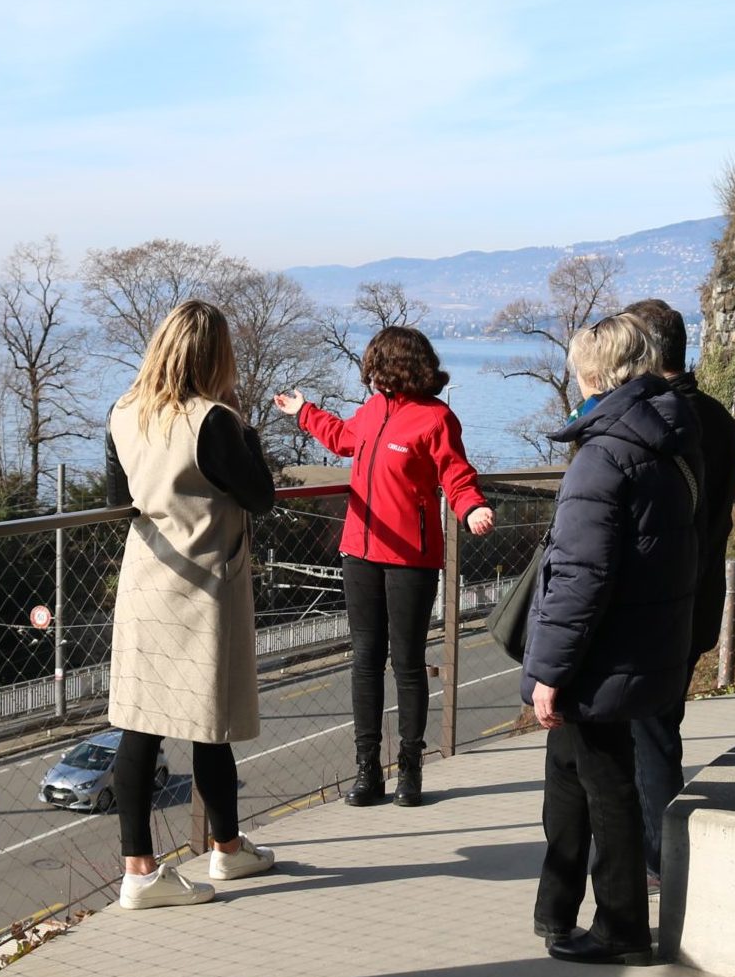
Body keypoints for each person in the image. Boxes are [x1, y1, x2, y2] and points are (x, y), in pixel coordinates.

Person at [523, 312, 701, 965]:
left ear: (590, 373)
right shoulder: (669, 436)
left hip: (602, 652)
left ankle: (622, 927)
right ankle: (556, 908)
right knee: (572, 771)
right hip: (644, 638)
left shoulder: (603, 455)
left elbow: (578, 577)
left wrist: (549, 671)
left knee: (605, 782)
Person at [273, 326, 494, 808]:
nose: (369, 374)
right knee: (365, 662)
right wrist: (303, 412)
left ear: (394, 366)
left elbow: (456, 474)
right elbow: (343, 440)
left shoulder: (436, 419)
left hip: (411, 559)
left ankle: (410, 772)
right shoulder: (373, 411)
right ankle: (367, 772)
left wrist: (472, 506)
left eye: (375, 365)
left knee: (408, 664)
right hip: (359, 553)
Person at [105, 300, 278, 909]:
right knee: (210, 723)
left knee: (141, 724)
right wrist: (246, 426)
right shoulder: (214, 421)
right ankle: (226, 851)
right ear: (216, 356)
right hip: (207, 583)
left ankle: (140, 870)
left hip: (148, 577)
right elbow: (261, 496)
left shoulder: (125, 413)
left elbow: (117, 495)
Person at [623, 298, 735, 887]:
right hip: (702, 589)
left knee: (647, 731)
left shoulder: (655, 422)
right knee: (663, 723)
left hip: (654, 599)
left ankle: (655, 860)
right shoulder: (718, 417)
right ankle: (656, 853)